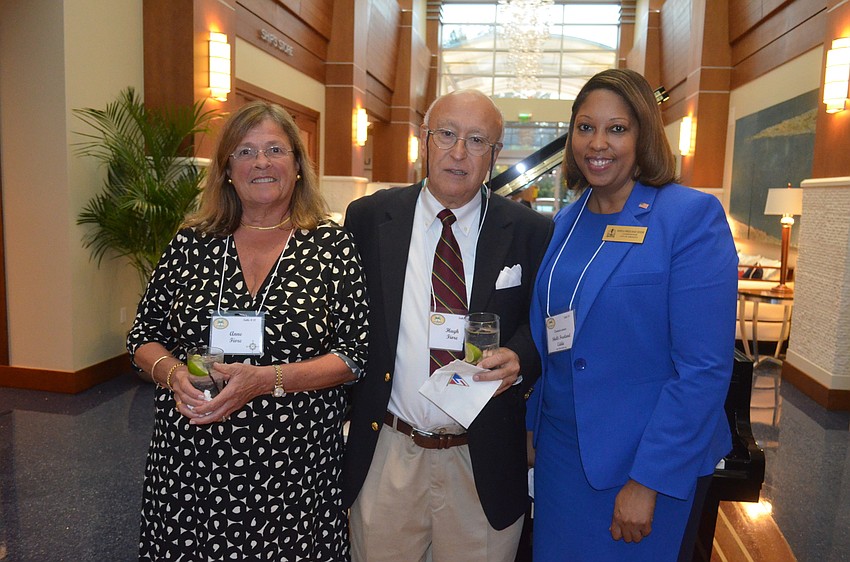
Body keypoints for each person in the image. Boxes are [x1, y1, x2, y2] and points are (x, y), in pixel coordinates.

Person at [127, 101, 369, 561]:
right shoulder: (192, 242)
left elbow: (354, 354)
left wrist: (266, 380)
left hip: (295, 469)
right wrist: (172, 372)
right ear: (226, 171)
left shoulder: (331, 245)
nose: (261, 162)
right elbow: (143, 335)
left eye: (275, 149)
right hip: (191, 464)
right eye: (245, 151)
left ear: (297, 166)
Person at [526, 68, 738, 560]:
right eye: (585, 127)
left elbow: (704, 369)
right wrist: (531, 431)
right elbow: (549, 336)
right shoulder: (565, 220)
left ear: (643, 134)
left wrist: (649, 479)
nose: (598, 142)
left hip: (643, 462)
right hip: (560, 457)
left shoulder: (687, 218)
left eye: (617, 128)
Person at [342, 89, 553, 562]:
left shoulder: (530, 231)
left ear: (495, 155)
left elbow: (545, 323)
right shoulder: (369, 218)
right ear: (424, 141)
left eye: (477, 140)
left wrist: (521, 357)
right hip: (389, 451)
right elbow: (344, 321)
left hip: (482, 457)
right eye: (447, 135)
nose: (459, 153)